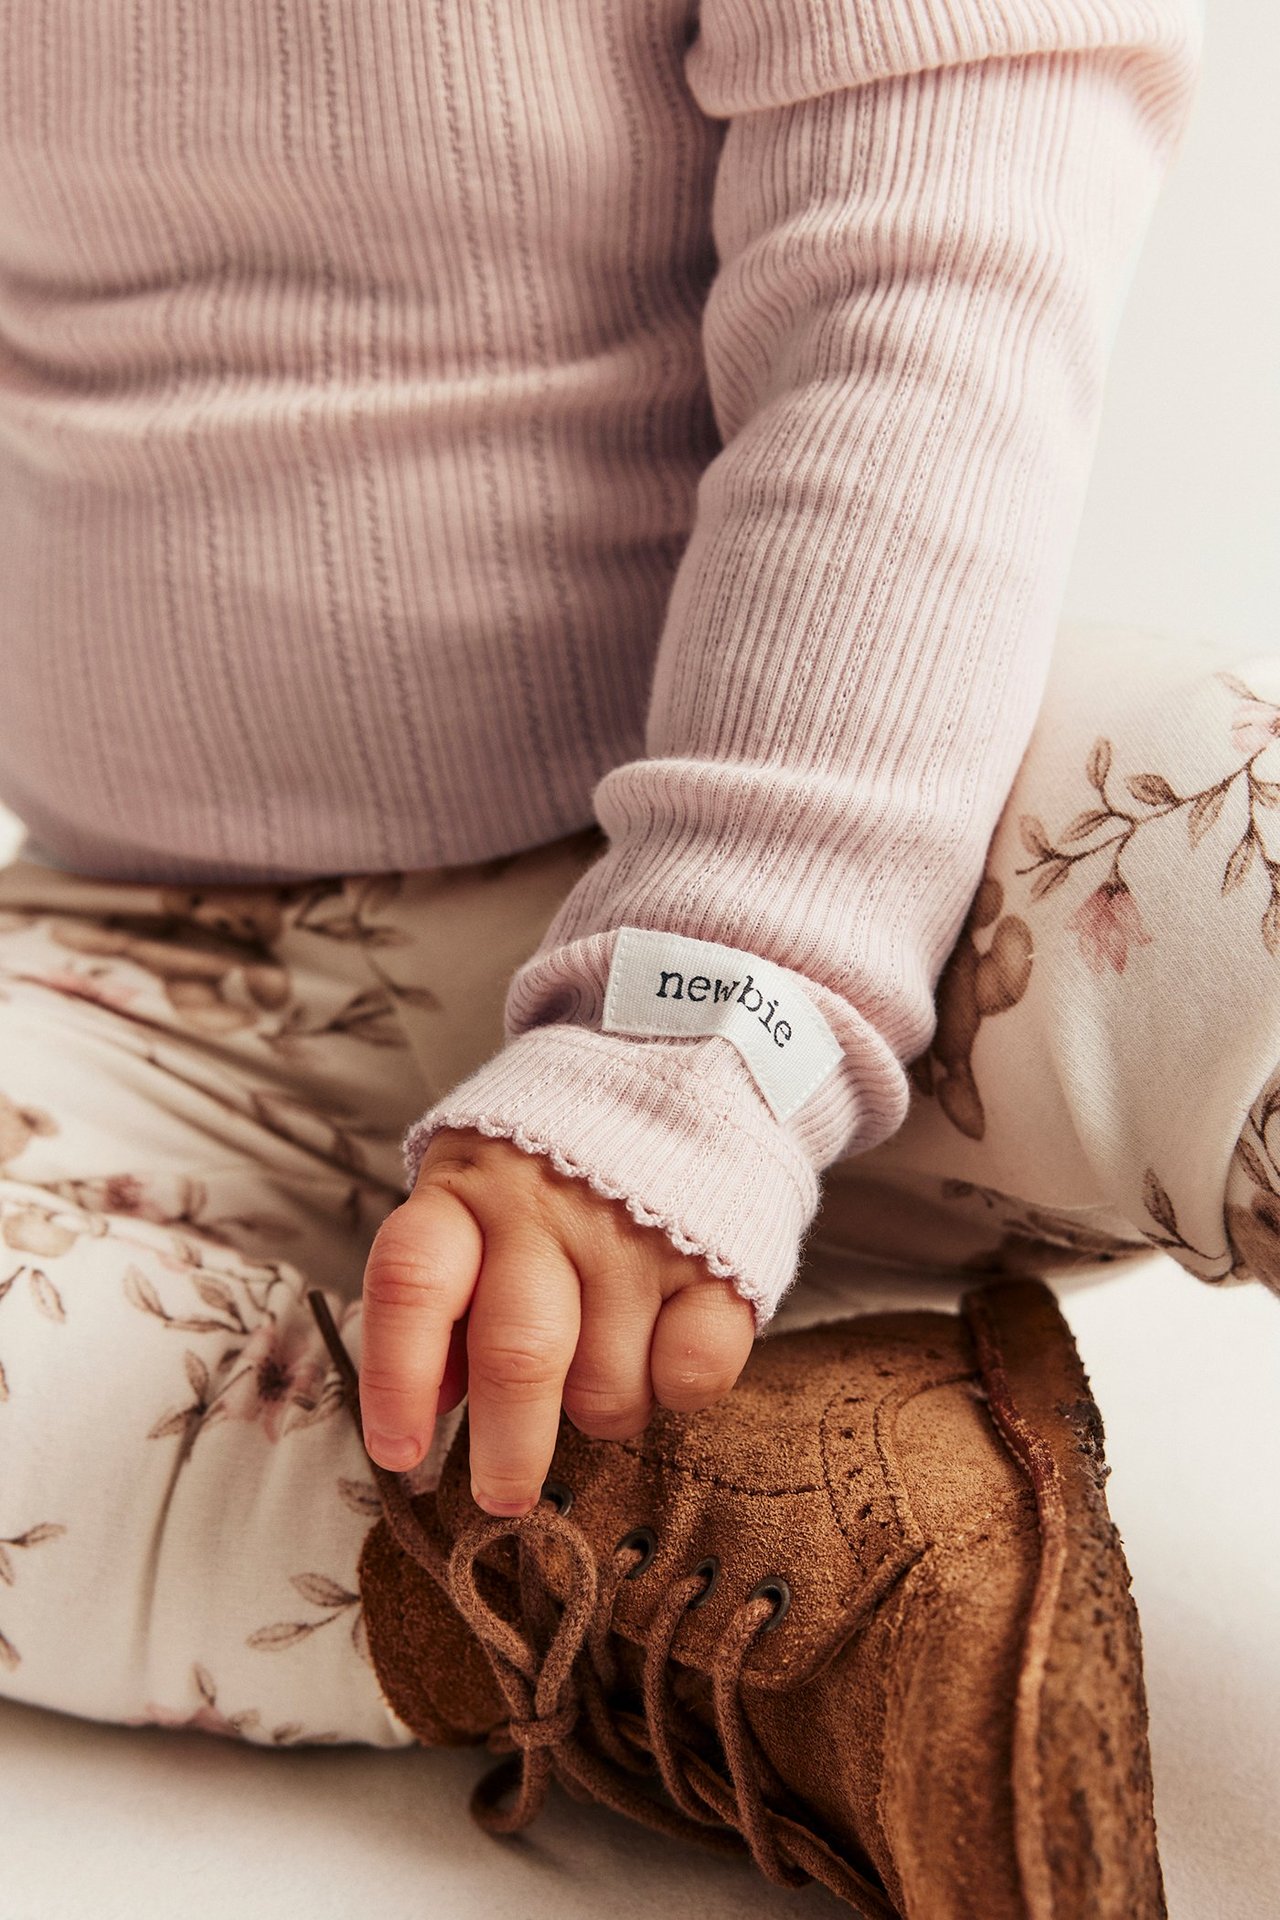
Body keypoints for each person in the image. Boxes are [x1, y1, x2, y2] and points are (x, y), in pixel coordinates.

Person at [9, 0, 1274, 1908]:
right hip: (158, 981)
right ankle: (681, 1549)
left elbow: (936, 282)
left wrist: (703, 1020)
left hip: (838, 874)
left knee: (1229, 813)